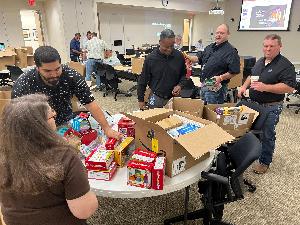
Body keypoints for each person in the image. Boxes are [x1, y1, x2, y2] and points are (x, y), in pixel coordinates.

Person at [0, 94, 98, 225]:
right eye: (52, 115)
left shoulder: (4, 154)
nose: (55, 113)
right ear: (40, 126)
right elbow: (84, 211)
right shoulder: (65, 157)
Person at [11, 46, 122, 139]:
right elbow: (17, 118)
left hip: (65, 122)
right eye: (47, 71)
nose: (54, 74)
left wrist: (107, 128)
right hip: (37, 129)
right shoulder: (24, 83)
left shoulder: (71, 76)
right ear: (37, 68)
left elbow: (90, 103)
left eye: (57, 69)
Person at [238, 34, 296, 174]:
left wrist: (266, 87)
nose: (268, 49)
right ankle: (251, 153)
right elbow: (252, 77)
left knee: (267, 135)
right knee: (250, 132)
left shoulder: (286, 65)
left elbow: (289, 88)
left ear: (279, 47)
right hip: (254, 104)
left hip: (271, 107)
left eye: (272, 46)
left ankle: (264, 161)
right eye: (265, 46)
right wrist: (244, 87)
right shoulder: (260, 61)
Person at [189, 24, 240, 104]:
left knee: (212, 112)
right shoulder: (209, 47)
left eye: (222, 33)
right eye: (217, 33)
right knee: (203, 110)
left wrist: (221, 77)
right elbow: (198, 58)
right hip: (204, 84)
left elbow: (234, 71)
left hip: (217, 88)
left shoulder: (231, 51)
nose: (218, 35)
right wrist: (188, 58)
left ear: (228, 34)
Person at [137, 29, 186, 109]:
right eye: (166, 47)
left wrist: (180, 85)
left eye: (172, 46)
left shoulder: (179, 56)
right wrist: (141, 100)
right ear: (160, 42)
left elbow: (184, 75)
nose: (169, 49)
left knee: (174, 120)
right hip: (156, 96)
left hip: (173, 98)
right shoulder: (150, 58)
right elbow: (143, 80)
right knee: (153, 119)